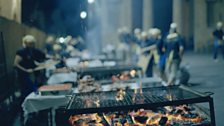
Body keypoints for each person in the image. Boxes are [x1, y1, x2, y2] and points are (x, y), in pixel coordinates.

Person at [14, 35, 46, 100]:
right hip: (23, 75)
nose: (31, 45)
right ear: (25, 43)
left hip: (31, 74)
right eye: (30, 43)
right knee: (26, 91)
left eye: (32, 43)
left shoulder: (31, 51)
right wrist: (25, 70)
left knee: (32, 90)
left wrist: (39, 64)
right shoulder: (21, 51)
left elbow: (31, 61)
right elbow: (15, 64)